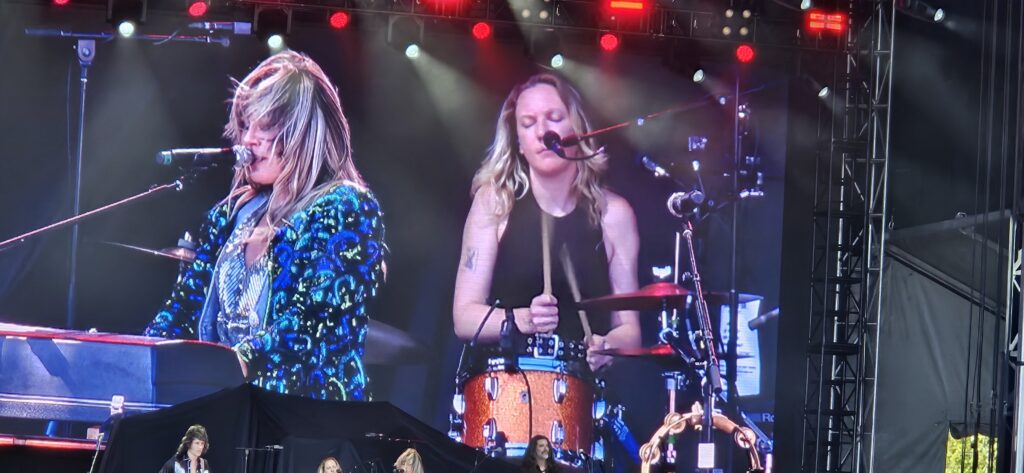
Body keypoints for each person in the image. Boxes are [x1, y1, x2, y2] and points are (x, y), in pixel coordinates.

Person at [144, 50, 385, 401]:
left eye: (265, 125)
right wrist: (139, 356)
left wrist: (226, 365)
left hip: (304, 415)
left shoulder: (346, 206)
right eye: (245, 125)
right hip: (225, 406)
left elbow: (310, 321)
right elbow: (183, 309)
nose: (248, 139)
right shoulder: (229, 216)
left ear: (303, 131)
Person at [452, 73, 641, 373]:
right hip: (504, 384)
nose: (542, 132)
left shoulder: (613, 214)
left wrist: (608, 346)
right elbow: (464, 317)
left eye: (554, 118)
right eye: (528, 124)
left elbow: (630, 330)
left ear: (577, 128)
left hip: (580, 387)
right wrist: (522, 319)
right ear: (518, 142)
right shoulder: (495, 202)